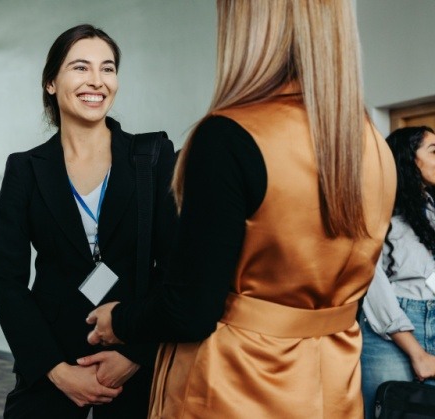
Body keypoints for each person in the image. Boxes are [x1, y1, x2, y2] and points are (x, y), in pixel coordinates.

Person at [85, 0, 396, 417]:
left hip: (236, 386)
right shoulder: (372, 145)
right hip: (332, 385)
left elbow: (191, 309)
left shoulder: (229, 135)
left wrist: (118, 320)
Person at [0, 24, 176, 418]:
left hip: (136, 355)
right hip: (52, 358)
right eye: (80, 67)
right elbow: (6, 280)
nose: (96, 81)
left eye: (107, 69)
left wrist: (136, 355)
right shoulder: (25, 169)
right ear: (51, 82)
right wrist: (56, 371)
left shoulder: (151, 157)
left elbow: (176, 268)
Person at [361, 126, 435, 417]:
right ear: (407, 159)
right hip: (392, 327)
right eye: (433, 150)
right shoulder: (375, 208)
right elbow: (371, 281)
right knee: (391, 411)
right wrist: (415, 352)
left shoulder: (431, 206)